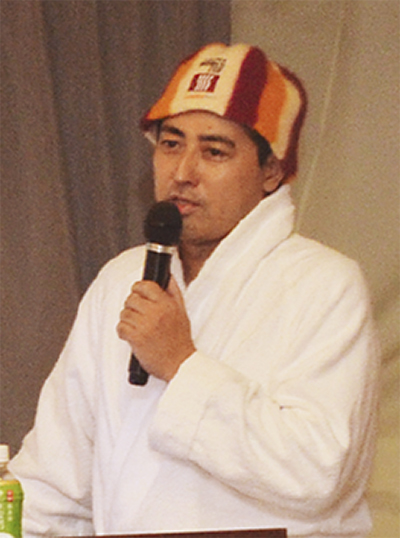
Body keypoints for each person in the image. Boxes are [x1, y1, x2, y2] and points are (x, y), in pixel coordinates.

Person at [9, 43, 379, 537]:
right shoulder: (120, 279)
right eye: (170, 144)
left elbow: (318, 472)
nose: (183, 173)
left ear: (272, 170)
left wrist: (180, 364)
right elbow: (54, 483)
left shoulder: (325, 285)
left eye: (214, 151)